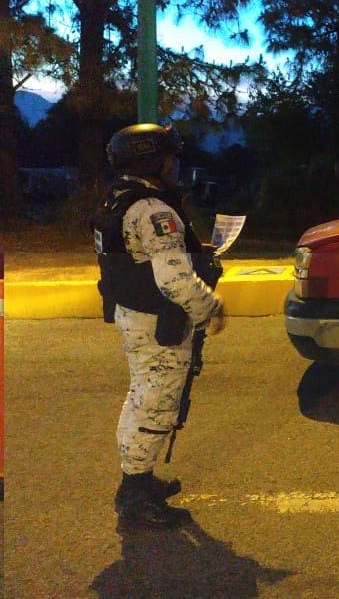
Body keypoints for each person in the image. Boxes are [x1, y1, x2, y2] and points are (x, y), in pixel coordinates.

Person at [92, 123, 226, 528]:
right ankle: (135, 497)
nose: (176, 165)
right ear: (151, 160)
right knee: (155, 404)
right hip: (156, 324)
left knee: (142, 396)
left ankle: (139, 478)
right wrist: (210, 307)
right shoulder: (154, 210)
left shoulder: (121, 199)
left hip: (134, 316)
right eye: (171, 158)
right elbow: (174, 281)